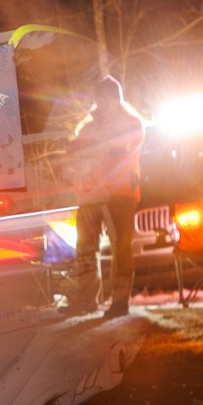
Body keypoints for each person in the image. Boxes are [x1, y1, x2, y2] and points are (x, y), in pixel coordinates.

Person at [64, 75, 146, 318]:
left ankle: (119, 301)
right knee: (85, 247)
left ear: (117, 99)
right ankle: (86, 299)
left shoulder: (131, 124)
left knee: (121, 247)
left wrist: (89, 165)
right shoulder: (88, 127)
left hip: (120, 194)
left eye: (107, 97)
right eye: (99, 97)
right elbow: (72, 155)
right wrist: (72, 173)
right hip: (90, 195)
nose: (103, 102)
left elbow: (120, 152)